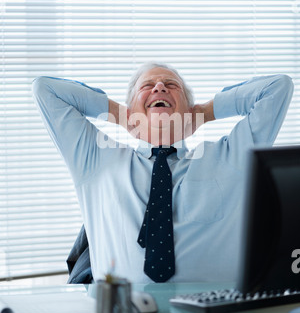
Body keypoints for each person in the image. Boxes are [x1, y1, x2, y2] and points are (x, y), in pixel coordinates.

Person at [32, 63, 293, 283]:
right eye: (147, 86)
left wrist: (204, 114)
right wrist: (122, 116)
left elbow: (277, 88)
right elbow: (46, 89)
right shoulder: (95, 159)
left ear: (188, 109)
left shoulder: (231, 156)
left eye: (171, 84)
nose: (159, 87)